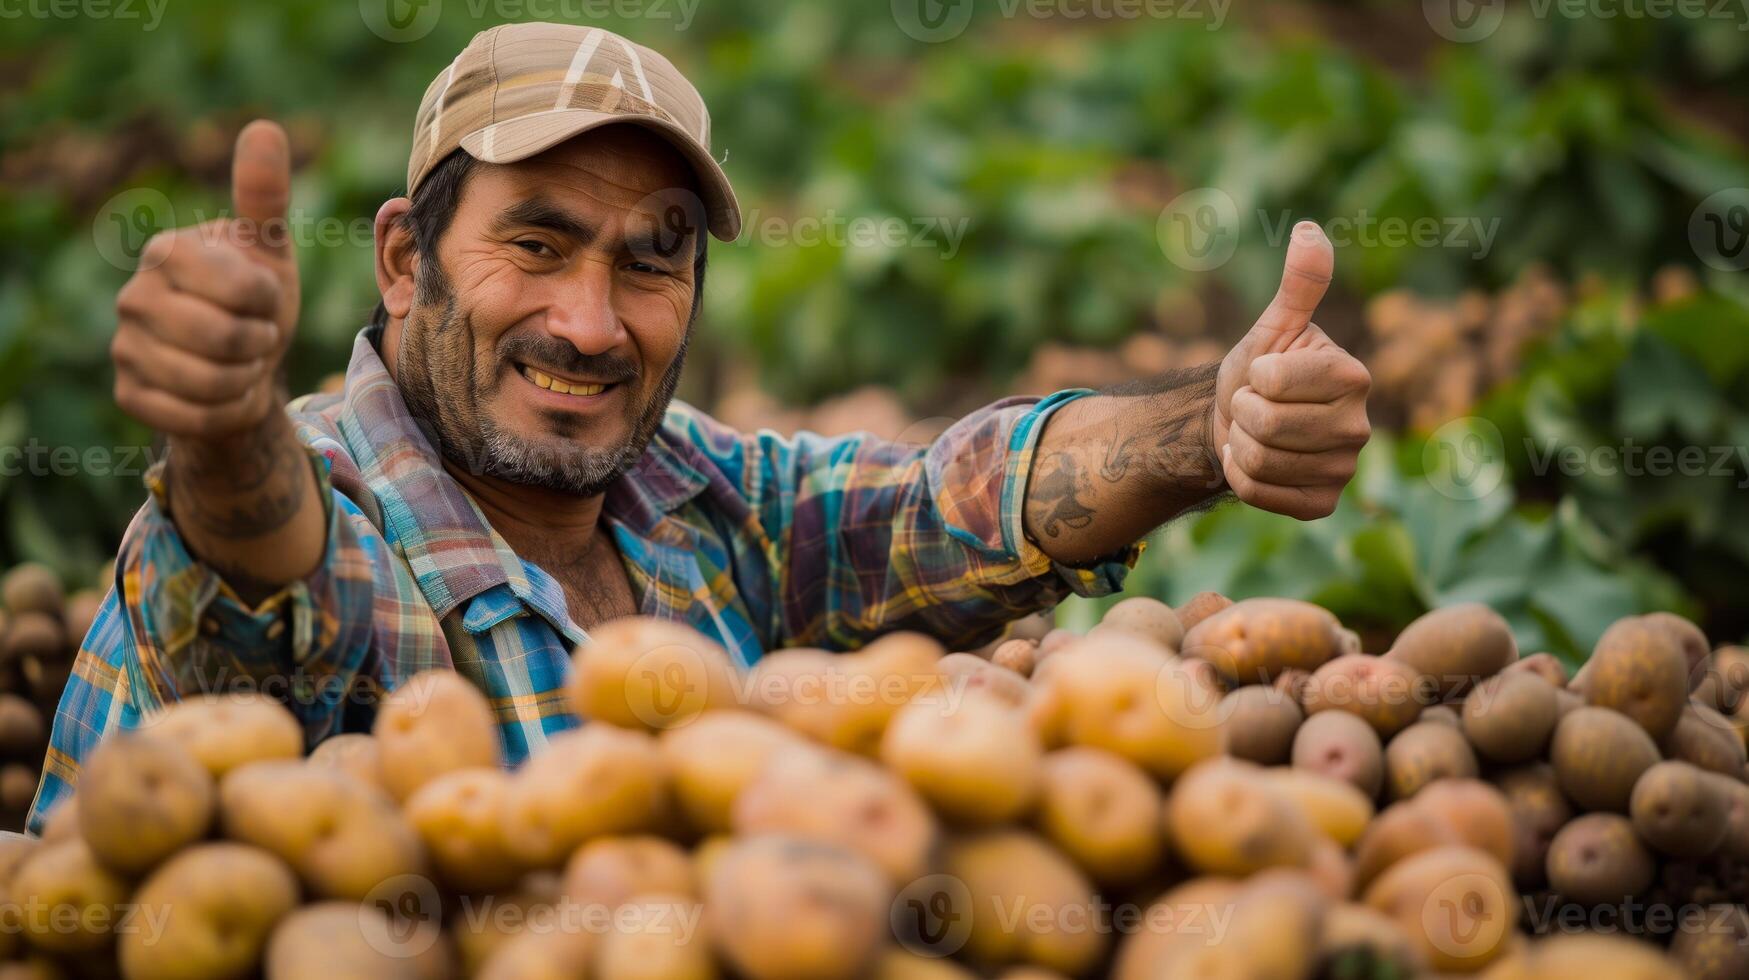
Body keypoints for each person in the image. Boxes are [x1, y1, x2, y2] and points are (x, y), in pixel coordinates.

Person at [29, 22, 1369, 831]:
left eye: (649, 259)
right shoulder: (330, 499)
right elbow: (267, 584)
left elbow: (944, 504)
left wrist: (1213, 425)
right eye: (536, 244)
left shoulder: (699, 500)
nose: (592, 322)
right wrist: (221, 429)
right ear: (400, 260)